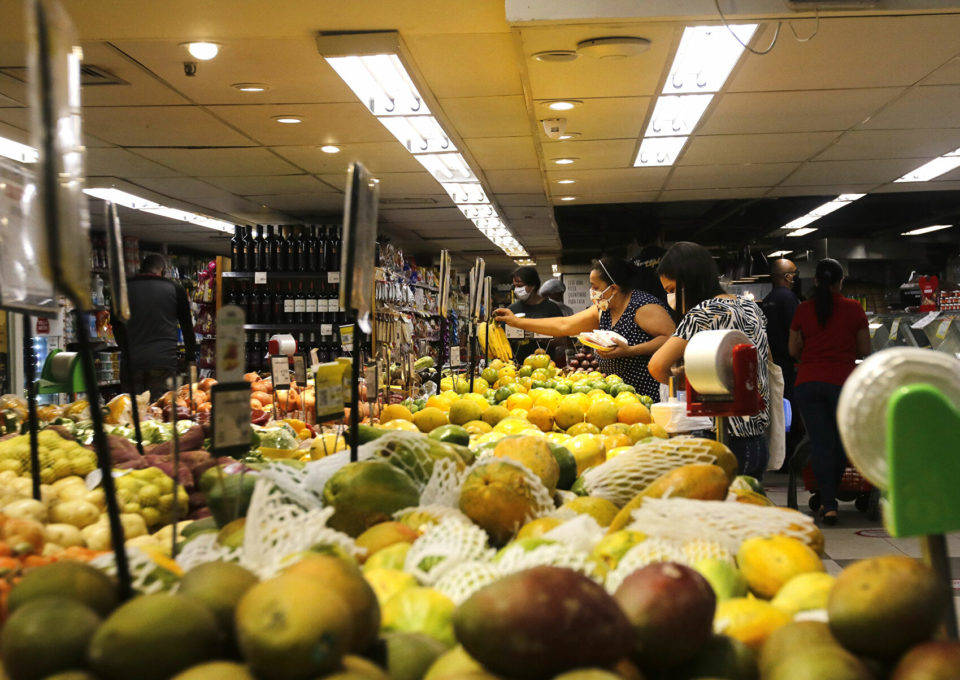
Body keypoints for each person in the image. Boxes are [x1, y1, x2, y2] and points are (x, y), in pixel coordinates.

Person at [648, 242, 771, 479]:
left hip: (720, 438)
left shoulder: (703, 312)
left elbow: (657, 366)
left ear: (689, 281)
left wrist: (686, 381)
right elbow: (758, 361)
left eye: (672, 289)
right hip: (757, 440)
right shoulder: (750, 307)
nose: (670, 297)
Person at [495, 257, 675, 401]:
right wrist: (516, 322)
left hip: (647, 392)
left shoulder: (642, 306)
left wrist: (630, 351)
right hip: (618, 393)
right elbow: (564, 325)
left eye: (595, 287)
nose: (592, 291)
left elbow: (670, 338)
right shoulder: (603, 309)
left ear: (613, 288)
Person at [789, 258, 870, 525]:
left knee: (821, 443)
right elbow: (864, 351)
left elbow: (793, 350)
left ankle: (828, 503)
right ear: (840, 281)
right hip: (842, 385)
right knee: (842, 444)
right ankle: (829, 500)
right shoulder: (854, 309)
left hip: (808, 384)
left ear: (816, 281)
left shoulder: (803, 309)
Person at [120, 254, 197, 401]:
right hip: (163, 362)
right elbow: (187, 327)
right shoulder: (175, 289)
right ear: (162, 270)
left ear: (141, 269)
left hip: (131, 362)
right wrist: (190, 358)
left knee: (129, 410)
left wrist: (126, 348)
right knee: (159, 409)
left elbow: (116, 325)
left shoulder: (124, 289)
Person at [761, 258, 801, 466]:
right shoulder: (788, 298)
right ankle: (790, 459)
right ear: (787, 276)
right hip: (787, 364)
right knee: (790, 412)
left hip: (771, 363)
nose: (796, 277)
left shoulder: (768, 299)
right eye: (795, 273)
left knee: (779, 412)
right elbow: (796, 333)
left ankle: (779, 456)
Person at [507, 266, 562, 364]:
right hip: (517, 366)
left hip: (547, 366)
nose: (516, 290)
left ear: (533, 286)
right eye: (515, 286)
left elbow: (562, 340)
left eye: (520, 286)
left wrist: (535, 334)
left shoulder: (551, 309)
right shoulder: (511, 310)